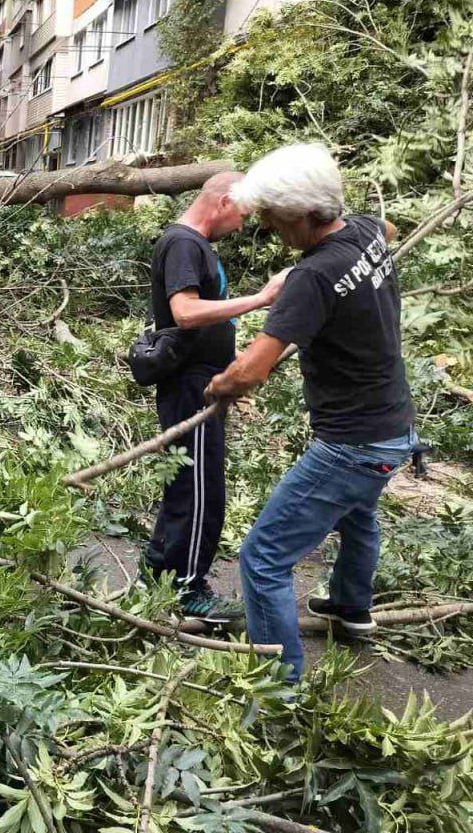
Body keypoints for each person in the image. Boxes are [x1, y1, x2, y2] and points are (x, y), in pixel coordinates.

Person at [205, 143, 415, 681]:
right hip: (394, 426)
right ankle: (350, 607)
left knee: (263, 557)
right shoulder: (365, 230)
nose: (269, 226)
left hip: (351, 443)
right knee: (358, 513)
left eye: (273, 216)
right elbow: (390, 232)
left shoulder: (313, 277)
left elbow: (250, 371)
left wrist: (219, 386)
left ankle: (281, 686)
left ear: (301, 212)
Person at [141, 173, 289, 622]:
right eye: (242, 213)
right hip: (192, 387)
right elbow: (185, 312)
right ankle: (187, 588)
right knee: (200, 490)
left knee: (186, 482)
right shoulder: (184, 244)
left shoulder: (194, 245)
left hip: (201, 381)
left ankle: (161, 570)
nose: (242, 224)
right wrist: (261, 298)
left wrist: (235, 361)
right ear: (223, 202)